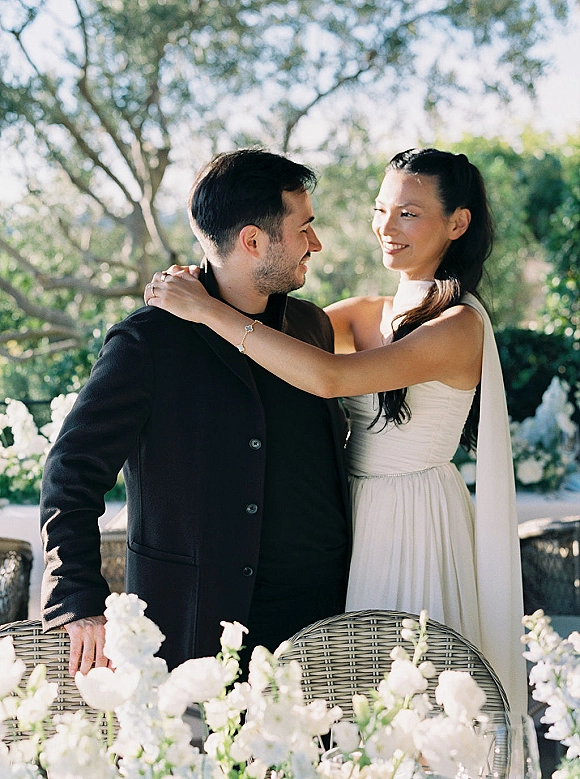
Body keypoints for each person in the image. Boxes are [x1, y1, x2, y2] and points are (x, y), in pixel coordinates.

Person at [145, 147, 527, 711]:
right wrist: (208, 277)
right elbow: (274, 333)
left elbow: (328, 377)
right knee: (352, 700)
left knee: (412, 693)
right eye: (381, 209)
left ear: (457, 223)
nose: (387, 228)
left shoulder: (458, 325)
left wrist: (207, 310)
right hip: (354, 520)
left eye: (409, 213)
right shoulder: (362, 314)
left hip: (417, 517)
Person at [40, 148, 352, 676]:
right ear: (253, 241)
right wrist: (77, 600)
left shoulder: (312, 327)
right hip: (195, 622)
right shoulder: (149, 339)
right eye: (304, 229)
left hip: (318, 625)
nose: (315, 244)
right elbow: (72, 472)